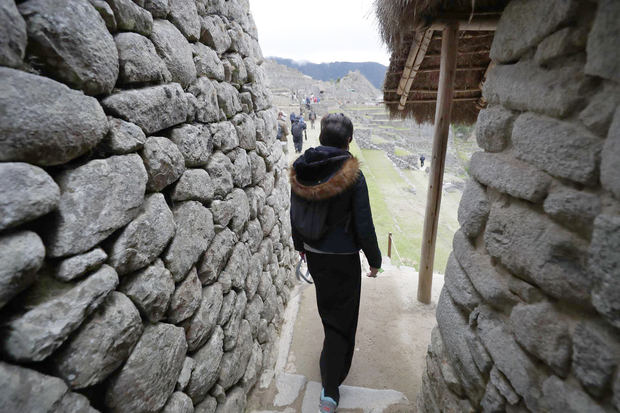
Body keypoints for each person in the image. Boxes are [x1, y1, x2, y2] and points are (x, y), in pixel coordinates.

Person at [289, 113, 381, 413]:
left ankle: (329, 359)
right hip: (343, 258)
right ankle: (330, 388)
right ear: (349, 140)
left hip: (315, 253)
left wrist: (300, 247)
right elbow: (364, 223)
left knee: (328, 308)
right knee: (343, 318)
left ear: (321, 137)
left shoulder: (303, 169)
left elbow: (295, 213)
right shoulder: (352, 174)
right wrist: (375, 260)